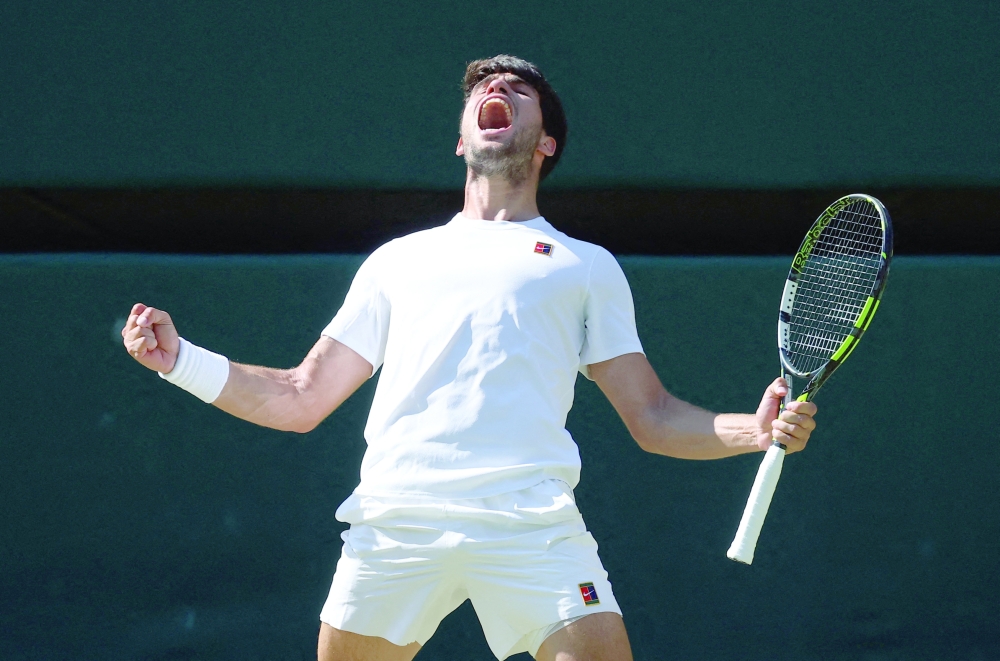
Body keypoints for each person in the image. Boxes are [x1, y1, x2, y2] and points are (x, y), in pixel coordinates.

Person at [121, 55, 818, 661]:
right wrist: (179, 359)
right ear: (461, 141)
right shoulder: (398, 262)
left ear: (545, 142)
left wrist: (753, 431)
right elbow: (302, 394)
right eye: (486, 86)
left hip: (531, 525)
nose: (499, 88)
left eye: (519, 88)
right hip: (398, 522)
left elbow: (654, 415)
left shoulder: (586, 267)